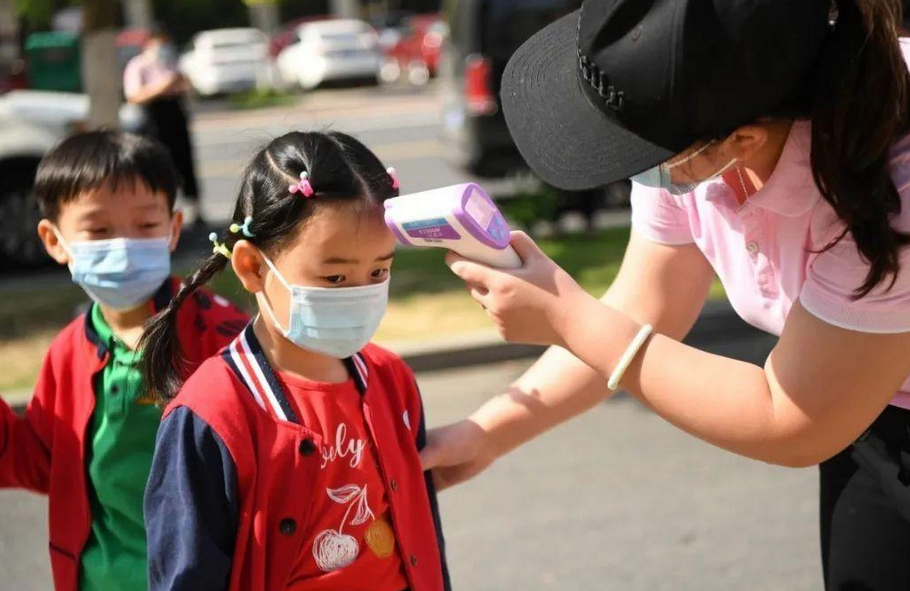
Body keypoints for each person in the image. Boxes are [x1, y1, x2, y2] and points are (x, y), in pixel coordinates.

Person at [420, 1, 910, 589]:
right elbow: (646, 303)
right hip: (866, 406)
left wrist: (566, 315)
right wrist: (488, 432)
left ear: (744, 137)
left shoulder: (893, 183)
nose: (642, 172)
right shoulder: (697, 118)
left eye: (645, 160)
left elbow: (794, 418)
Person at [140, 131, 450, 591]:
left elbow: (423, 539)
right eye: (336, 275)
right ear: (253, 267)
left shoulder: (390, 379)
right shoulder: (213, 414)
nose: (360, 293)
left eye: (378, 271)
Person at [0, 131, 248, 591]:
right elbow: (38, 463)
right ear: (54, 241)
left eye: (145, 226)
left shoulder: (221, 335)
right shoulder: (68, 353)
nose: (124, 244)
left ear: (173, 229)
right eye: (98, 230)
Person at [124, 28, 204, 226]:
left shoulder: (172, 64)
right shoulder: (138, 66)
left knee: (184, 162)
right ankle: (160, 210)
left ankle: (194, 208)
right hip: (153, 119)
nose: (163, 49)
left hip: (175, 115)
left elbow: (188, 88)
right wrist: (163, 86)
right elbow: (134, 96)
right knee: (157, 163)